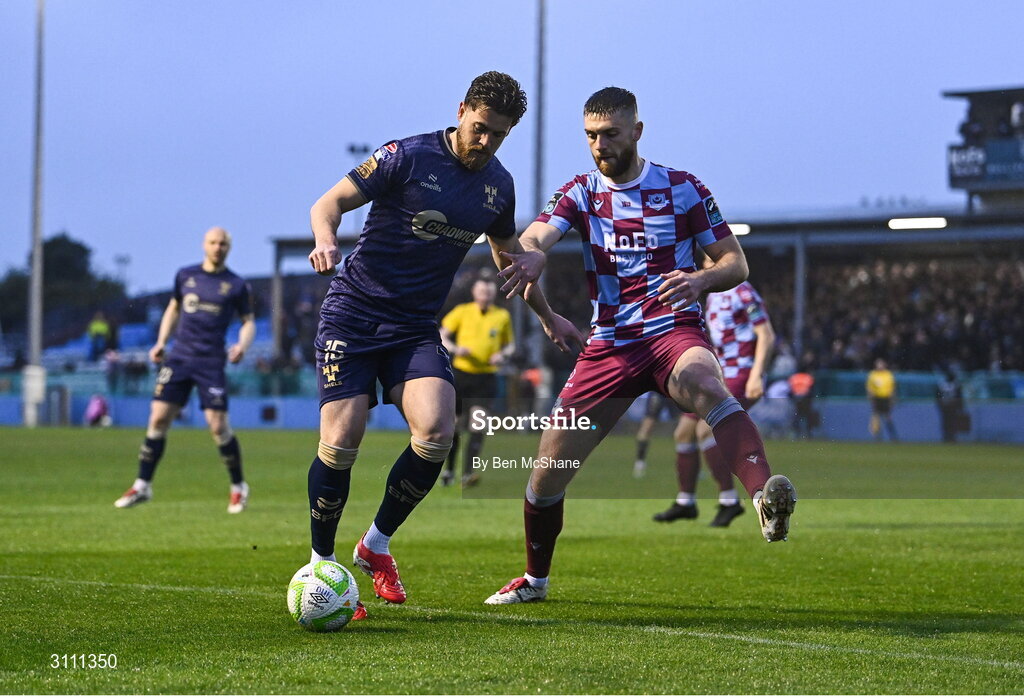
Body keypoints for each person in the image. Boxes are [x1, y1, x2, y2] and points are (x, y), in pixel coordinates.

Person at [486, 87, 796, 605]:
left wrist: (699, 282)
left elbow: (735, 264)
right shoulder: (581, 192)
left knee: (703, 381)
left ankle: (764, 498)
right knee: (546, 475)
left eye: (609, 134)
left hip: (671, 330)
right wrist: (535, 255)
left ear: (637, 131)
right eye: (590, 136)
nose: (599, 145)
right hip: (608, 345)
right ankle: (535, 581)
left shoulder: (682, 188)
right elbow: (533, 240)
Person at [303, 72, 579, 617]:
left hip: (413, 326)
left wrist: (547, 315)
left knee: (436, 432)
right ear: (461, 111)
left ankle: (375, 546)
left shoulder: (498, 187)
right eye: (479, 128)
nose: (485, 142)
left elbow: (509, 263)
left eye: (498, 135)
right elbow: (327, 203)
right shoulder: (404, 156)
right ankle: (321, 566)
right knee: (342, 438)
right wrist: (326, 241)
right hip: (353, 314)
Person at [114, 227, 255, 513]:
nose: (218, 247)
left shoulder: (236, 285)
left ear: (229, 247)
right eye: (213, 242)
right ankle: (143, 485)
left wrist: (242, 346)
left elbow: (248, 321)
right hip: (179, 358)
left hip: (211, 361)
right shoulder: (186, 276)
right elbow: (173, 309)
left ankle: (238, 486)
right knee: (157, 420)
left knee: (218, 426)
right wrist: (161, 342)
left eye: (223, 243)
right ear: (204, 245)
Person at [653, 280, 775, 527]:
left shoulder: (742, 290)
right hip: (718, 373)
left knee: (705, 429)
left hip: (741, 371)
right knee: (684, 433)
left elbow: (766, 334)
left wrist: (756, 373)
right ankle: (686, 502)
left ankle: (729, 501)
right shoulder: (711, 295)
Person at [440, 275, 515, 487]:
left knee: (477, 424)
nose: (486, 296)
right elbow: (442, 334)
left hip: (486, 377)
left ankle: (468, 474)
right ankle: (449, 471)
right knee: (454, 425)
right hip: (462, 375)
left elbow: (510, 345)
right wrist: (455, 348)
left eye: (489, 293)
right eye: (482, 292)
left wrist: (502, 354)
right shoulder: (462, 312)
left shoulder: (501, 316)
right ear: (475, 293)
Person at [866, 357, 899, 442]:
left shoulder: (888, 375)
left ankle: (893, 436)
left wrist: (892, 399)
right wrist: (871, 397)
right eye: (878, 364)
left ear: (884, 365)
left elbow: (892, 388)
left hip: (886, 398)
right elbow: (869, 388)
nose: (879, 366)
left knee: (887, 417)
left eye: (881, 364)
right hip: (876, 398)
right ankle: (877, 437)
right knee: (876, 417)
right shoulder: (873, 374)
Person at [935, 368, 965, 443]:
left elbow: (937, 396)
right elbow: (959, 396)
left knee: (946, 422)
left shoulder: (942, 385)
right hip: (952, 406)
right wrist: (960, 406)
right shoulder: (955, 385)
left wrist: (940, 405)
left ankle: (947, 436)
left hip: (945, 406)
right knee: (952, 422)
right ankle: (951, 437)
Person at [788, 366, 816, 439]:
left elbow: (790, 391)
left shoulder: (794, 377)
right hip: (805, 399)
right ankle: (808, 433)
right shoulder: (808, 377)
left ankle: (796, 433)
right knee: (807, 416)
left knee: (796, 416)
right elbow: (811, 389)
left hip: (796, 399)